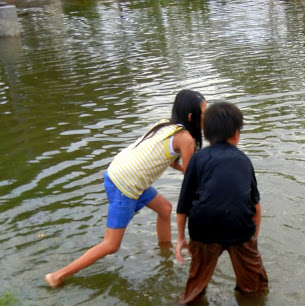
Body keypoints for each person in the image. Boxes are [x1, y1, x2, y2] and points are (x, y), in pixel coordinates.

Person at [45, 89, 206, 288]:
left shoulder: (165, 124)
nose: (206, 118)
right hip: (126, 185)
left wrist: (181, 168)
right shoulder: (186, 139)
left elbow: (161, 154)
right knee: (111, 245)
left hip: (117, 172)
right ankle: (58, 275)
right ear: (192, 116)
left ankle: (164, 256)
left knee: (164, 209)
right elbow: (191, 180)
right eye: (204, 113)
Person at [174, 101, 268, 304]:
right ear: (236, 134)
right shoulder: (243, 160)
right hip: (239, 227)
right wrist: (253, 238)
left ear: (207, 133)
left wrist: (181, 238)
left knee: (195, 285)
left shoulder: (197, 160)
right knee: (256, 287)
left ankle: (189, 304)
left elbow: (183, 205)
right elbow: (256, 207)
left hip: (203, 228)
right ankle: (250, 303)